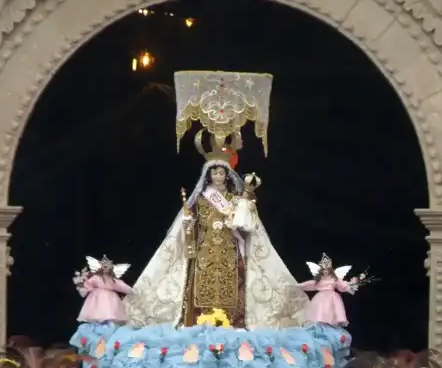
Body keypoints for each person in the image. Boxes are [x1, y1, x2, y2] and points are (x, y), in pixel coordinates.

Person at [124, 127, 308, 329]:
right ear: (208, 175)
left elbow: (248, 227)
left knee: (232, 285)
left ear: (227, 175)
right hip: (205, 251)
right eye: (214, 173)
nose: (218, 176)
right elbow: (190, 226)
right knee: (202, 286)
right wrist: (188, 226)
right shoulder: (200, 200)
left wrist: (245, 209)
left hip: (230, 251)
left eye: (221, 173)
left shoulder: (236, 199)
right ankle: (198, 321)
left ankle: (234, 322)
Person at [299, 254, 360, 326]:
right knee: (320, 312)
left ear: (330, 270)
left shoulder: (335, 279)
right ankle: (320, 324)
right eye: (324, 270)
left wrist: (348, 286)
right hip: (320, 297)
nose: (325, 272)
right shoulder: (319, 280)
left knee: (330, 311)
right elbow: (311, 284)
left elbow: (340, 286)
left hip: (332, 297)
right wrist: (300, 286)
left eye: (327, 270)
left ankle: (329, 324)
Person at [74, 255, 133, 323]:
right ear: (101, 268)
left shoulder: (112, 280)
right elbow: (88, 284)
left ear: (111, 269)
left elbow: (121, 286)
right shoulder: (97, 277)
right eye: (104, 267)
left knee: (109, 311)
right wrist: (85, 288)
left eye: (108, 268)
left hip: (110, 297)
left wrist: (130, 290)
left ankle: (106, 324)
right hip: (97, 296)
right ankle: (99, 324)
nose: (106, 269)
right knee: (98, 310)